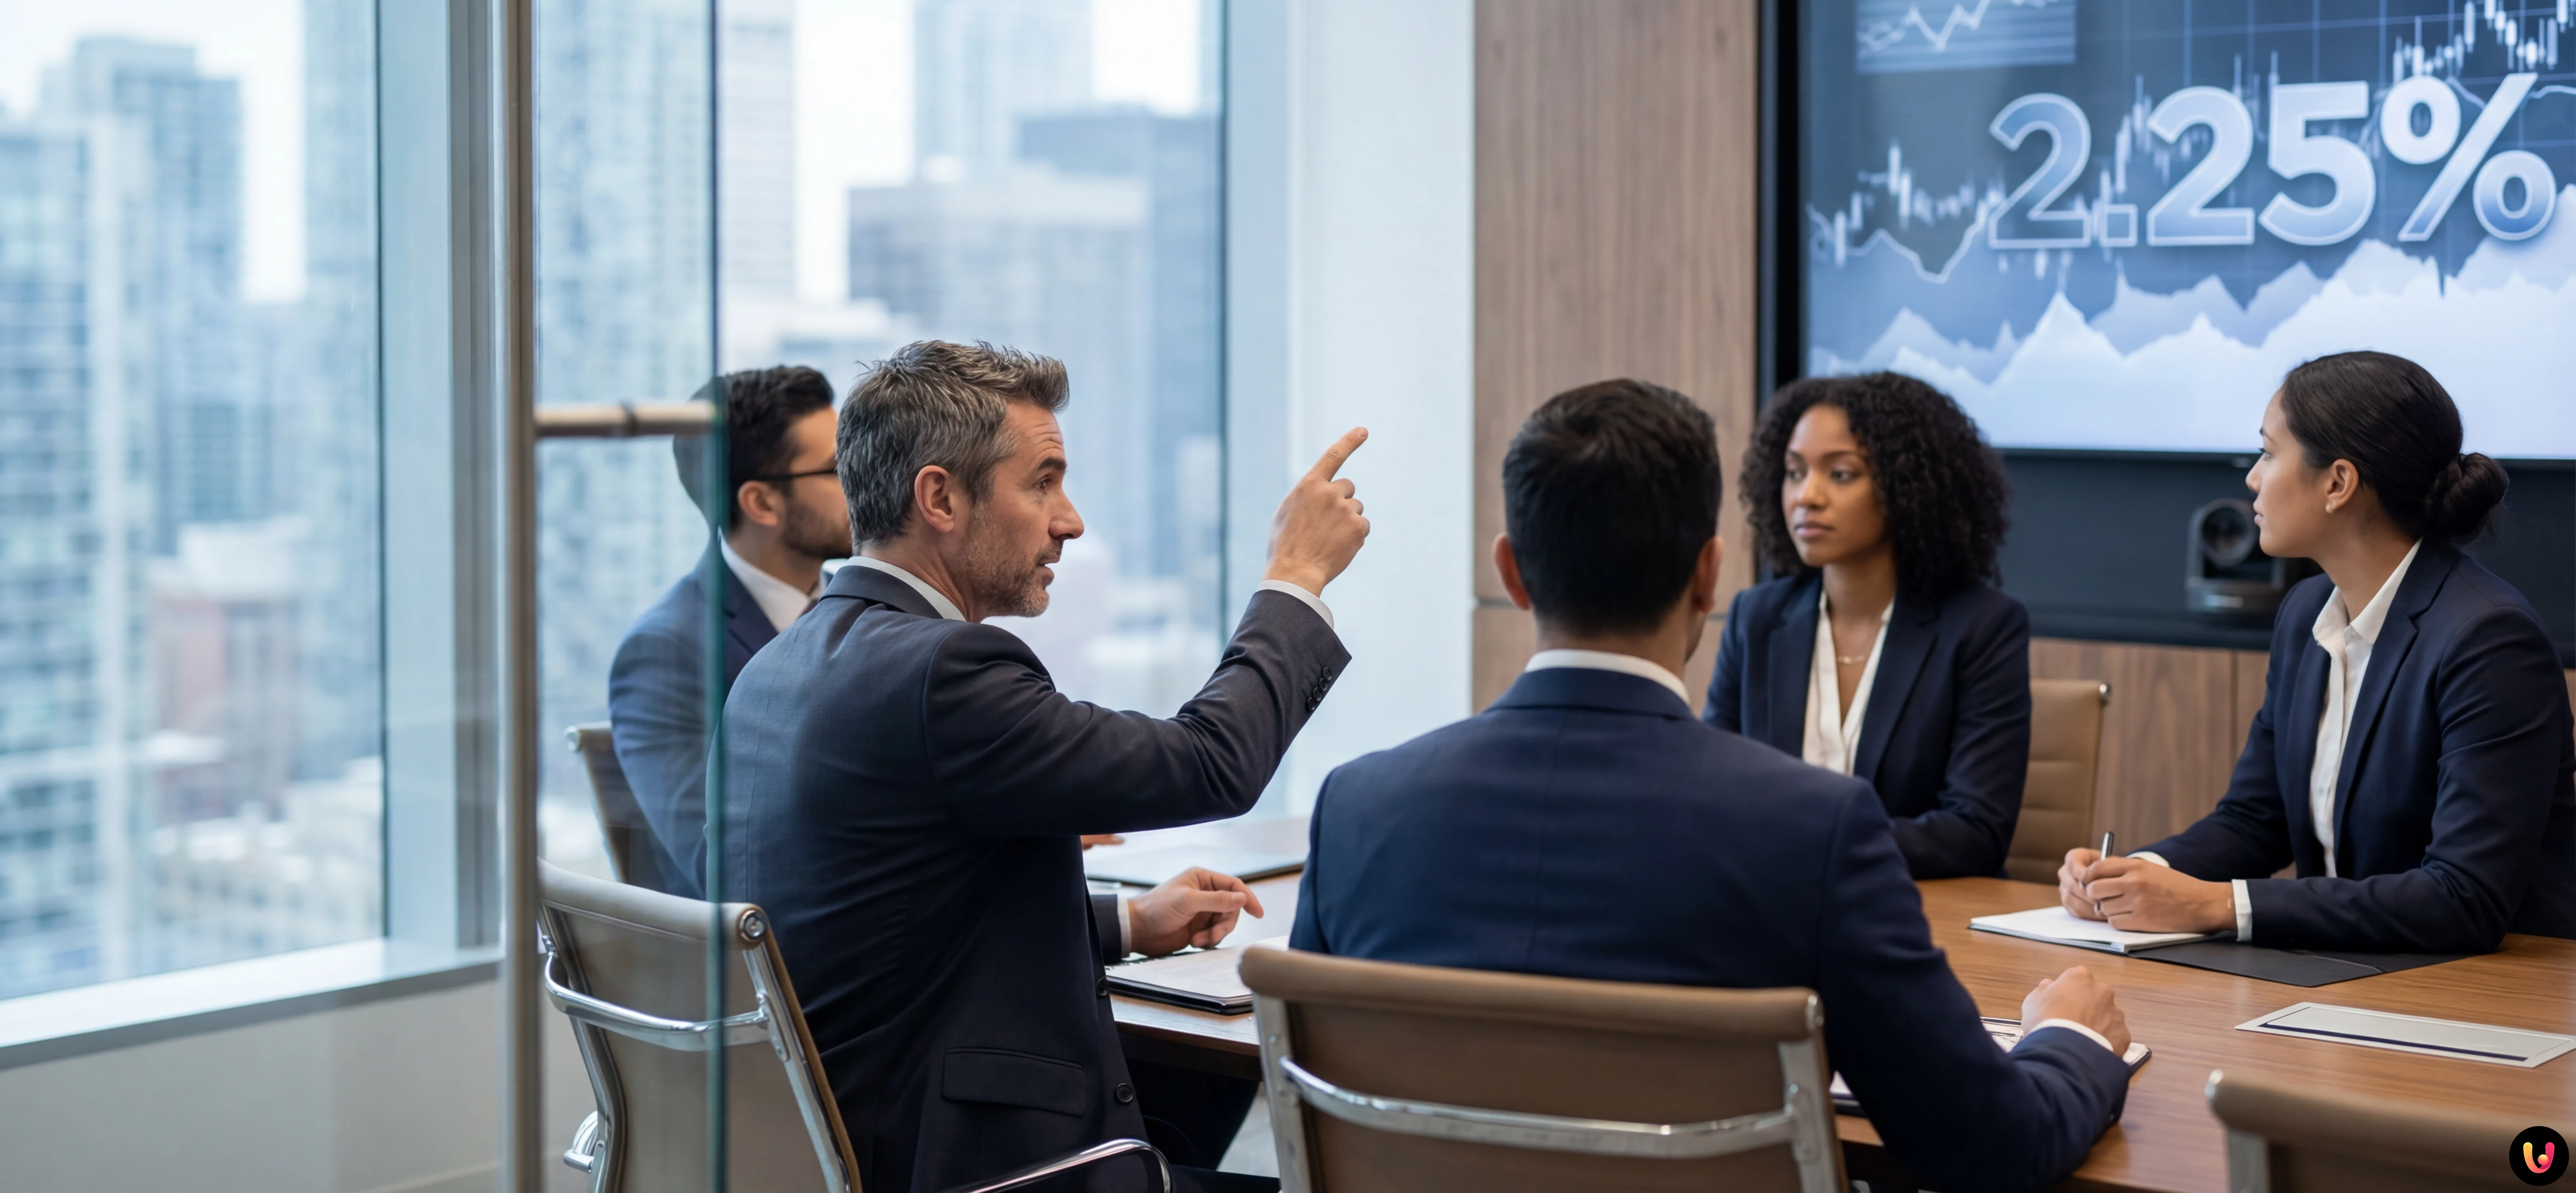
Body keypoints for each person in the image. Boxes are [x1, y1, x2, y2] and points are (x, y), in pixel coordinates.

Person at [1291, 378, 2132, 1193]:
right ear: (1707, 577)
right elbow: (1995, 1146)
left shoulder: (1354, 808)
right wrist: (2068, 1037)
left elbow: (1308, 1081)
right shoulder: (1813, 829)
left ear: (1510, 573)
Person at [720, 340, 1369, 1193]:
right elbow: (1211, 763)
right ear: (939, 498)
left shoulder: (778, 665)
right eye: (1042, 483)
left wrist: (1129, 923)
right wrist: (1296, 578)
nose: (1070, 521)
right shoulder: (946, 672)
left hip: (869, 1143)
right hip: (986, 1166)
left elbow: (886, 919)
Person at [2061, 351, 2576, 952]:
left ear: (2337, 483)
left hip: (2485, 989)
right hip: (2341, 970)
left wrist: (2214, 904)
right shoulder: (2304, 613)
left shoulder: (2489, 639)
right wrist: (2130, 876)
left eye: (2267, 453)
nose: (2252, 479)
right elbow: (2255, 821)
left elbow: (2463, 898)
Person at [1704, 371, 2030, 878]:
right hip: (1765, 899)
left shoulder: (1982, 628)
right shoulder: (1755, 619)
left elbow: (1975, 831)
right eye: (1794, 472)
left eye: (1840, 474)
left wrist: (1810, 842)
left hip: (1909, 904)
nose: (1806, 496)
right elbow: (1710, 790)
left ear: (1907, 485)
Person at [607, 365, 848, 896]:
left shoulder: (865, 607)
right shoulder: (666, 652)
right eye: (838, 468)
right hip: (777, 939)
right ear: (761, 502)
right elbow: (721, 864)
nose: (866, 480)